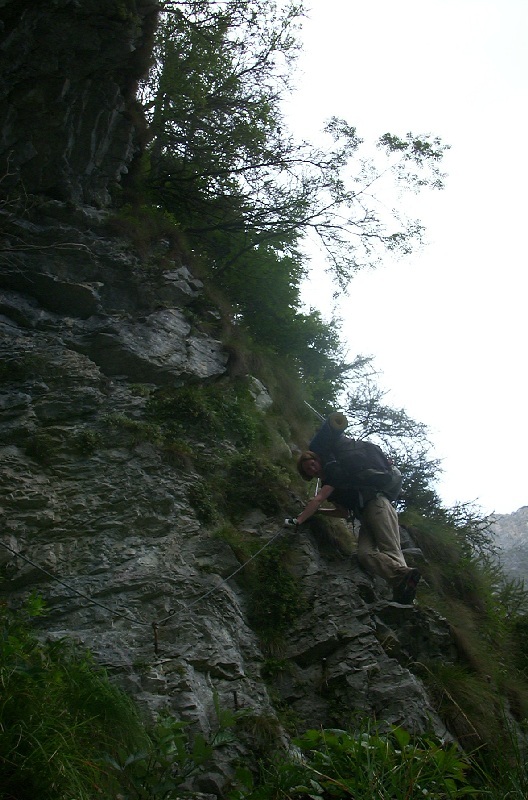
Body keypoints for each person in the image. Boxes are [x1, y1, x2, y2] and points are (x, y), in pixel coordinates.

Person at [293, 449, 421, 604]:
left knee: (390, 549)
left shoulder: (334, 471)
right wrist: (318, 512)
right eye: (308, 469)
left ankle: (405, 595)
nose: (313, 469)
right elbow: (343, 513)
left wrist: (299, 520)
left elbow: (318, 498)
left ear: (318, 461)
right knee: (365, 554)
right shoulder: (328, 483)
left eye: (313, 464)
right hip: (365, 516)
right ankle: (405, 579)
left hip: (377, 504)